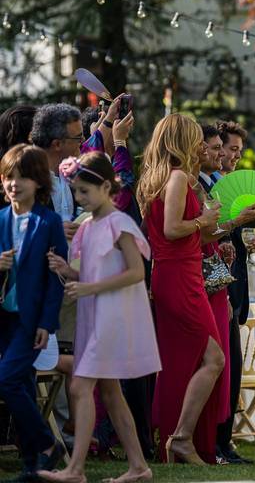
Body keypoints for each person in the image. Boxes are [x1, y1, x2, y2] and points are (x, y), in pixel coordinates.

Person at [40, 152, 159, 483]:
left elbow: (136, 273)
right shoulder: (85, 228)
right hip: (93, 320)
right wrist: (65, 271)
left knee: (80, 386)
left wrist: (89, 287)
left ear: (107, 186)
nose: (79, 198)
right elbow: (81, 274)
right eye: (75, 191)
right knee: (110, 392)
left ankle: (75, 470)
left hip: (114, 319)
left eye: (85, 192)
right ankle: (139, 467)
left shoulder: (120, 224)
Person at [137, 114, 224, 465]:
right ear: (181, 141)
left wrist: (214, 223)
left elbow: (185, 233)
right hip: (179, 277)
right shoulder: (174, 179)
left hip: (177, 273)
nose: (201, 145)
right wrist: (204, 219)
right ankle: (182, 438)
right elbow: (174, 229)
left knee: (181, 362)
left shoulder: (165, 178)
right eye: (195, 139)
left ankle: (178, 438)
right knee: (214, 358)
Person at [0, 144, 67, 481]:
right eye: (9, 177)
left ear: (39, 181)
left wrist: (47, 322)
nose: (14, 183)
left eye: (23, 177)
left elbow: (56, 279)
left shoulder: (50, 222)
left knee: (7, 380)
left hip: (30, 320)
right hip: (4, 320)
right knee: (22, 385)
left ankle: (46, 443)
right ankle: (33, 464)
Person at [213, 120, 255, 465]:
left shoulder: (225, 185)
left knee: (234, 366)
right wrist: (235, 224)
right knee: (225, 364)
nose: (235, 157)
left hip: (235, 282)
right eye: (230, 149)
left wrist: (244, 242)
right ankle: (218, 441)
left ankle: (225, 440)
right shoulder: (208, 186)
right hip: (217, 286)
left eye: (239, 152)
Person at [29, 103, 83, 241]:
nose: (82, 143)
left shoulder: (79, 174)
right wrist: (51, 231)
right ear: (57, 144)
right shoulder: (21, 178)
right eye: (78, 138)